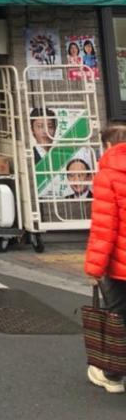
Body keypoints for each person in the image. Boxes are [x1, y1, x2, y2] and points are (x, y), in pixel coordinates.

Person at [84, 122, 126, 393]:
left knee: (118, 316)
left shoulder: (109, 173)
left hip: (119, 264)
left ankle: (112, 375)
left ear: (108, 145)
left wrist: (93, 268)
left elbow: (104, 227)